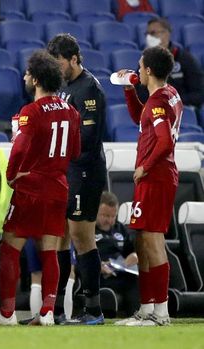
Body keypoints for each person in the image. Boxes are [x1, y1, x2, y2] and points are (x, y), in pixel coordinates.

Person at [0, 50, 80, 326]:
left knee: (9, 249)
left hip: (31, 188)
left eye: (29, 74)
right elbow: (75, 152)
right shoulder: (72, 111)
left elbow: (19, 149)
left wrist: (11, 175)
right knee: (49, 250)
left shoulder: (30, 112)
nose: (25, 77)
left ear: (38, 79)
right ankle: (48, 312)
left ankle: (7, 315)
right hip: (58, 188)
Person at [114, 46, 183, 326]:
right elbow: (141, 121)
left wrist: (145, 166)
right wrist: (130, 91)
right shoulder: (167, 95)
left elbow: (164, 142)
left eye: (140, 66)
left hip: (155, 177)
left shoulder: (158, 102)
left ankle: (161, 313)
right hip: (156, 177)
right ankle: (147, 307)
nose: (137, 70)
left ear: (149, 70)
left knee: (153, 241)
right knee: (142, 239)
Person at [46, 33, 108, 325]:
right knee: (58, 238)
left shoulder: (89, 88)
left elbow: (89, 137)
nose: (57, 69)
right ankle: (56, 310)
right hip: (64, 172)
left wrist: (60, 156)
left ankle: (93, 309)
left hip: (85, 172)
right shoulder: (63, 89)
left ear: (74, 59)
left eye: (60, 63)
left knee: (82, 237)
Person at [138, 18, 203, 108]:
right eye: (147, 34)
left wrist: (173, 101)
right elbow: (139, 92)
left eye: (152, 33)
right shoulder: (145, 62)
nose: (149, 37)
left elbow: (199, 93)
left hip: (182, 110)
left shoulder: (184, 59)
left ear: (166, 34)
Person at [94, 191, 140, 316]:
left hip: (121, 273)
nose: (109, 220)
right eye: (104, 215)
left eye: (112, 216)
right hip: (100, 277)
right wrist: (98, 265)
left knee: (137, 280)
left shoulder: (120, 229)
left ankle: (137, 318)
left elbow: (134, 253)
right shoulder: (89, 229)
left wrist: (131, 258)